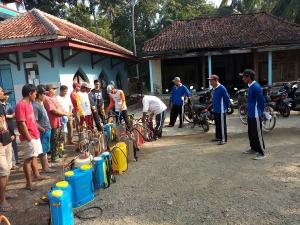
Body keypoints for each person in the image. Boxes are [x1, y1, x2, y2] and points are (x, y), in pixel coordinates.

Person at [15, 84, 45, 191]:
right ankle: (28, 183)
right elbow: (22, 124)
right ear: (29, 93)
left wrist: (40, 128)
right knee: (28, 159)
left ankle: (36, 175)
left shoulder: (30, 104)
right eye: (35, 93)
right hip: (29, 137)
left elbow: (32, 120)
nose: (36, 95)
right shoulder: (20, 105)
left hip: (35, 135)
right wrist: (29, 138)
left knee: (34, 156)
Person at [240, 69, 266, 160]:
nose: (243, 78)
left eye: (244, 77)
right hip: (250, 114)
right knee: (251, 133)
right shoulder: (250, 86)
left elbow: (261, 102)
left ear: (249, 77)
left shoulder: (256, 87)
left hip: (255, 114)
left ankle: (261, 152)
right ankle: (253, 149)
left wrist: (260, 112)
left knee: (258, 134)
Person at [33, 85, 56, 173]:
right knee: (43, 150)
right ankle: (45, 168)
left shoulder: (40, 104)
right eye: (43, 94)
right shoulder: (35, 106)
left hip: (46, 129)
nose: (45, 96)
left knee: (45, 149)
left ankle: (46, 166)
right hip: (43, 130)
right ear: (38, 95)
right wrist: (41, 129)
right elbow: (34, 121)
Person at [44, 84, 69, 162]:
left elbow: (60, 107)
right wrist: (65, 114)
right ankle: (54, 157)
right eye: (53, 89)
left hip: (59, 122)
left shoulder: (54, 98)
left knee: (60, 139)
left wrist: (66, 113)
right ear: (48, 90)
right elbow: (53, 111)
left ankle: (60, 153)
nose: (55, 90)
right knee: (54, 140)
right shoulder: (47, 99)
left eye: (55, 89)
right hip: (53, 123)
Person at [0, 86, 14, 211]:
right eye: (0, 91)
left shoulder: (1, 106)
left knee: (8, 169)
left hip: (7, 141)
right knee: (3, 171)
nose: (2, 92)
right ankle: (2, 201)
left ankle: (4, 194)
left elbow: (4, 123)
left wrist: (10, 135)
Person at [208, 75, 230, 145]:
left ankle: (223, 139)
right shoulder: (214, 88)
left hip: (221, 110)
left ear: (215, 80)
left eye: (211, 80)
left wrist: (225, 108)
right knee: (217, 124)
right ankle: (218, 137)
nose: (210, 82)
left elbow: (227, 99)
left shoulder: (222, 88)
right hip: (216, 110)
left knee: (222, 125)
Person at [0, 91, 18, 170]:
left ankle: (15, 161)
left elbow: (14, 114)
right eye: (5, 94)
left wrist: (10, 116)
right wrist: (9, 116)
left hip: (10, 127)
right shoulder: (1, 106)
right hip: (5, 131)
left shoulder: (9, 104)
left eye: (8, 95)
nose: (7, 96)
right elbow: (3, 117)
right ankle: (11, 164)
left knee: (13, 145)